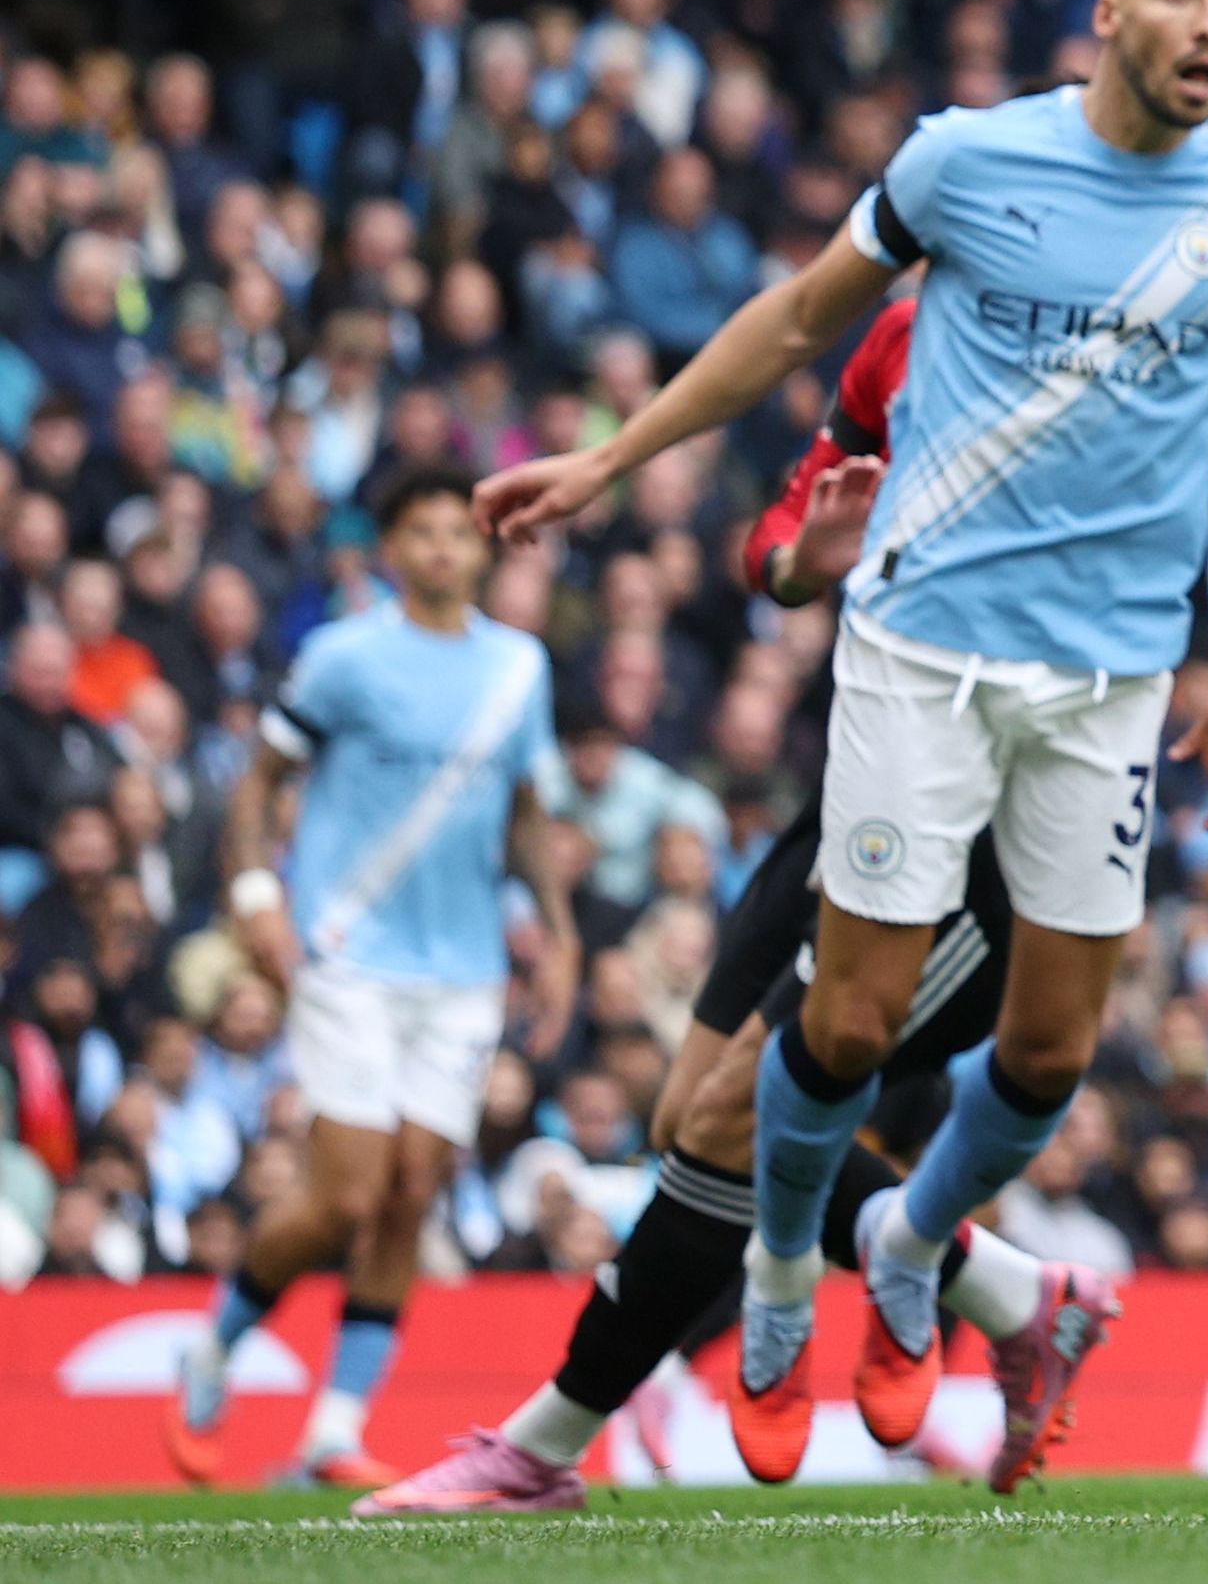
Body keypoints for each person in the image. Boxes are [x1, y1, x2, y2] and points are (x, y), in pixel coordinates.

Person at [475, 0, 1208, 1460]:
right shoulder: (961, 164)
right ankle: (777, 1288)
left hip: (1108, 686)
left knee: (1049, 1055)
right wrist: (615, 460)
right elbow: (796, 331)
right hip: (921, 656)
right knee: (790, 1059)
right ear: (1106, 11)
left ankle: (919, 1252)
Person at [360, 293, 1120, 1514]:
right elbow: (791, 510)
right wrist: (795, 563)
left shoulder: (1103, 354)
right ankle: (1016, 1294)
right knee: (688, 1119)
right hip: (857, 782)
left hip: (980, 812)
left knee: (729, 1122)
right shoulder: (906, 326)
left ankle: (536, 1450)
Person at [172, 471, 580, 1489]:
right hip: (347, 948)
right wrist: (259, 892)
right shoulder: (342, 655)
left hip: (466, 967)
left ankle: (331, 1433)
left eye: (459, 531)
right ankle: (214, 1345)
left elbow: (527, 810)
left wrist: (560, 932)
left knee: (410, 1190)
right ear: (390, 548)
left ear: (484, 550)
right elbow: (258, 782)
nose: (444, 547)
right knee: (343, 1192)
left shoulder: (518, 668)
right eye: (422, 531)